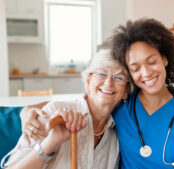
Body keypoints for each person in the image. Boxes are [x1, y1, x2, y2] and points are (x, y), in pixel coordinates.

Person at [16, 18, 174, 169]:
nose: (146, 73)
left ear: (165, 58)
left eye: (152, 61)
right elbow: (86, 101)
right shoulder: (123, 104)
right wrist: (27, 110)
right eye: (135, 67)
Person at [1, 50, 133, 169]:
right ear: (88, 81)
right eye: (101, 74)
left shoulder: (116, 134)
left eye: (118, 77)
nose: (109, 82)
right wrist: (51, 142)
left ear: (126, 91)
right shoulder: (53, 113)